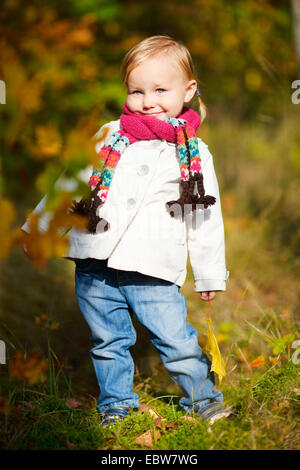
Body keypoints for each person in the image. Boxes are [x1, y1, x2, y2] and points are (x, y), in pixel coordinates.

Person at [22, 35, 234, 427]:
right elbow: (71, 181)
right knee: (108, 341)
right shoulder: (109, 133)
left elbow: (204, 216)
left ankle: (203, 400)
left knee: (176, 341)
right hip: (95, 261)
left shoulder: (193, 151)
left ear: (188, 90)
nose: (147, 100)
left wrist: (208, 272)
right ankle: (116, 404)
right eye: (137, 90)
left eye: (159, 89)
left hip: (152, 266)